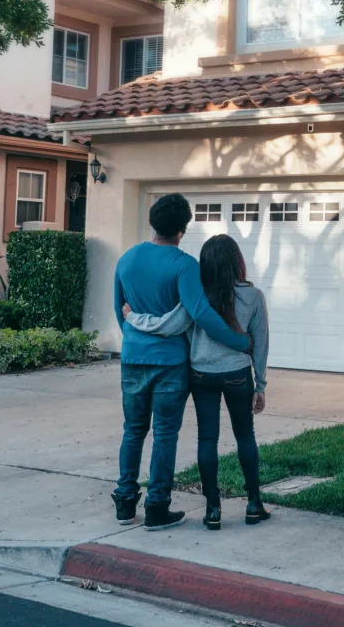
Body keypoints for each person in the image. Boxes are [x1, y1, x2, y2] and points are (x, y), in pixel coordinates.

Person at [112, 194, 251, 532]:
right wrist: (240, 341)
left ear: (152, 223)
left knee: (133, 431)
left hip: (133, 358)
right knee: (164, 434)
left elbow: (120, 311)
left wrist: (136, 341)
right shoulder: (185, 265)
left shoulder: (127, 259)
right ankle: (158, 507)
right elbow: (201, 314)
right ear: (183, 229)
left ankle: (125, 502)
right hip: (171, 363)